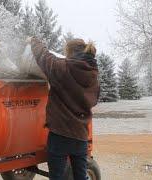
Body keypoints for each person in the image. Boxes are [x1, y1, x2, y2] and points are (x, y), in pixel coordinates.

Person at [29, 37, 99, 180]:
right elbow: (94, 101)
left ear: (70, 52)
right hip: (80, 136)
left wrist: (33, 40)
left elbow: (44, 57)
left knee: (57, 177)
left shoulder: (63, 68)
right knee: (80, 176)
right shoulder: (93, 75)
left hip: (60, 135)